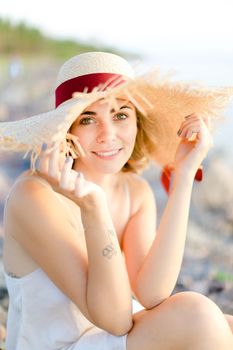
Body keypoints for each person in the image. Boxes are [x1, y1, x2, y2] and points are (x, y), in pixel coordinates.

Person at [1, 51, 233, 350]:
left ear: (137, 123)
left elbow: (152, 293)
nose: (108, 134)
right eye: (88, 119)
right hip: (62, 344)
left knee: (225, 323)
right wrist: (93, 207)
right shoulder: (33, 196)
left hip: (109, 338)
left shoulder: (133, 191)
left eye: (121, 114)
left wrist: (183, 179)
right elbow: (116, 319)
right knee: (198, 315)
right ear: (68, 131)